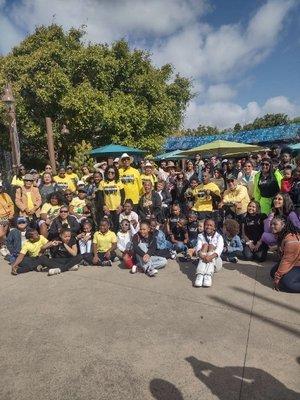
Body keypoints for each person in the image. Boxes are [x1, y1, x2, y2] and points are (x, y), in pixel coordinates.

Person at [270, 217, 300, 293]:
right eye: (271, 224)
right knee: (273, 272)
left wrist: (278, 277)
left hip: (296, 263)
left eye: (275, 224)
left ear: (283, 225)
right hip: (294, 262)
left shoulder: (291, 240)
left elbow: (287, 260)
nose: (272, 226)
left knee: (286, 284)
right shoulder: (283, 235)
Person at [194, 219, 224, 287]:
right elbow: (198, 248)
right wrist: (203, 257)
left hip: (215, 263)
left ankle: (208, 275)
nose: (208, 227)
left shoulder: (219, 237)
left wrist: (210, 257)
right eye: (207, 225)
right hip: (203, 259)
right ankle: (200, 275)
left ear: (214, 227)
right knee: (205, 245)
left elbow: (219, 249)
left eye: (211, 225)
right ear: (204, 226)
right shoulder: (200, 235)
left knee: (211, 246)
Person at [99, 165, 125, 232]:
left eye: (112, 172)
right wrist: (104, 206)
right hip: (107, 209)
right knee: (108, 226)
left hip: (117, 209)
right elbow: (100, 196)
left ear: (115, 173)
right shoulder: (102, 183)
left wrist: (121, 206)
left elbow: (123, 195)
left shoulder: (118, 182)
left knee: (117, 226)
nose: (110, 174)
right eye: (109, 172)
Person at [0, 180, 14, 256]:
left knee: (4, 233)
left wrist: (11, 214)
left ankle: (3, 246)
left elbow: (11, 205)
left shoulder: (6, 195)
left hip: (6, 216)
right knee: (1, 233)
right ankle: (2, 247)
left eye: (0, 187)